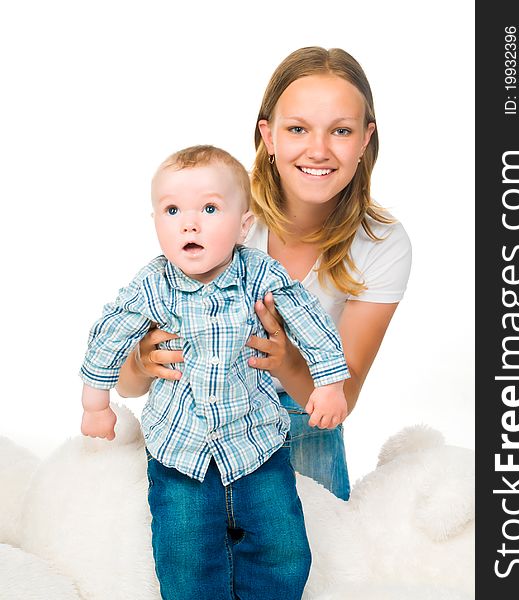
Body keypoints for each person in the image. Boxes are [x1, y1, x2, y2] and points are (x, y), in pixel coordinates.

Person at [117, 46, 412, 502]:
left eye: (341, 130)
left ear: (365, 139)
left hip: (305, 420)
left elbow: (341, 399)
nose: (318, 149)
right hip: (200, 415)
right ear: (268, 136)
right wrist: (141, 361)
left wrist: (285, 358)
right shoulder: (221, 212)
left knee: (311, 563)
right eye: (297, 129)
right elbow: (127, 382)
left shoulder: (381, 244)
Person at [79, 144, 350, 600]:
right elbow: (110, 331)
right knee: (185, 557)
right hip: (180, 451)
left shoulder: (259, 274)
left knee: (282, 549)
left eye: (209, 208)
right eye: (172, 210)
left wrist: (329, 383)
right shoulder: (154, 283)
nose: (189, 223)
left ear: (244, 225)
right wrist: (95, 402)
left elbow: (310, 320)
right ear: (156, 224)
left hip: (256, 444)